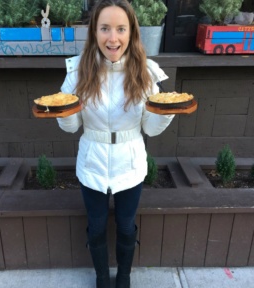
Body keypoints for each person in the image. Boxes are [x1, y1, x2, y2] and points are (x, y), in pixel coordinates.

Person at [56, 0, 174, 287]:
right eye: (105, 28)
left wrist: (168, 112)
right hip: (92, 161)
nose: (113, 37)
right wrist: (64, 113)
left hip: (130, 162)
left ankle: (123, 275)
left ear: (131, 32)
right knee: (96, 226)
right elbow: (71, 128)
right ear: (94, 32)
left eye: (121, 29)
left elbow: (150, 128)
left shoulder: (145, 73)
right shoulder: (77, 73)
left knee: (125, 226)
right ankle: (101, 276)